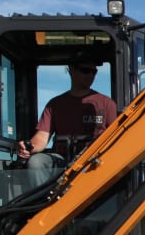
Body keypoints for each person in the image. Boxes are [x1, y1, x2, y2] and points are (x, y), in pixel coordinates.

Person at [17, 52, 117, 184]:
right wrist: (27, 147)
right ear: (72, 70)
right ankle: (43, 202)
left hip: (94, 161)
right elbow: (42, 137)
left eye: (94, 72)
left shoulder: (106, 103)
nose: (91, 75)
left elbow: (116, 137)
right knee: (36, 162)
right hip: (61, 160)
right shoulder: (55, 105)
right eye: (85, 71)